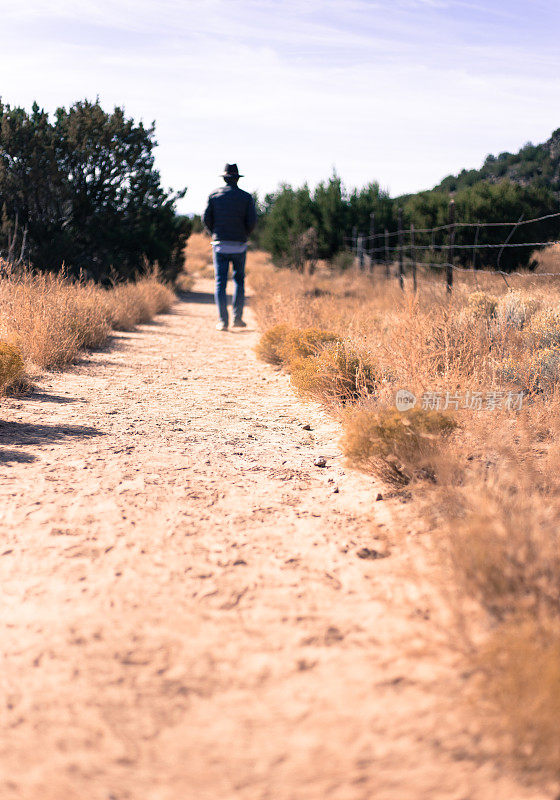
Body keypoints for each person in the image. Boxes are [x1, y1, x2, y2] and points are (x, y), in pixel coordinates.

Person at [203, 163, 257, 331]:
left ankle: (223, 321)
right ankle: (237, 319)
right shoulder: (246, 197)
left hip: (220, 245)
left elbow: (206, 219)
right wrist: (244, 235)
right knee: (239, 281)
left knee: (220, 283)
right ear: (237, 179)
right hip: (239, 245)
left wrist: (215, 233)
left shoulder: (214, 195)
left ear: (225, 178)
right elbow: (252, 221)